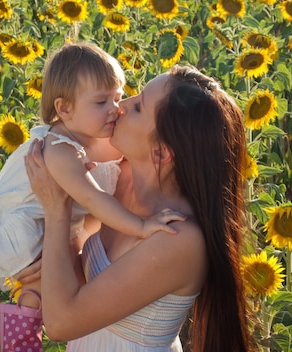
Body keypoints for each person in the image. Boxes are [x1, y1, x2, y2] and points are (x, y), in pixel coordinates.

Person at [24, 65, 256, 351]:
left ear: (160, 152)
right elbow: (87, 281)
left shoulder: (178, 238)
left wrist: (56, 211)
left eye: (137, 108)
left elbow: (62, 323)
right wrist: (41, 257)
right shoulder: (119, 180)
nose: (120, 106)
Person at [0, 42, 183, 349]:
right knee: (56, 276)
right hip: (22, 228)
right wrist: (141, 226)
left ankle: (17, 321)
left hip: (51, 221)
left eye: (118, 98)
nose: (115, 109)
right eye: (101, 102)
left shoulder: (94, 135)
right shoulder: (59, 149)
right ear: (64, 108)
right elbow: (94, 199)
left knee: (65, 272)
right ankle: (18, 332)